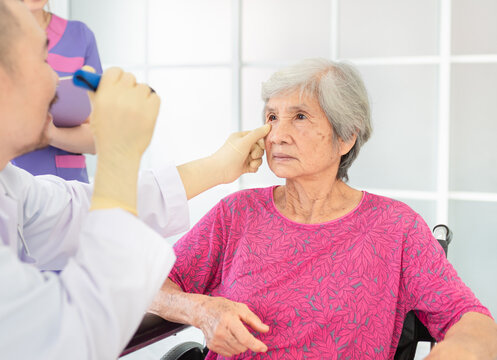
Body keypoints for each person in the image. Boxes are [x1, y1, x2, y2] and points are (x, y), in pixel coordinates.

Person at [150, 58, 497, 359]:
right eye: (272, 116)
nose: (277, 135)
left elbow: (473, 320)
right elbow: (149, 284)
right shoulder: (236, 214)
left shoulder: (395, 228)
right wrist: (201, 310)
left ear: (346, 137)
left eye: (299, 116)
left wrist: (457, 352)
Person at [0, 0, 270, 358]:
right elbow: (71, 339)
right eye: (41, 58)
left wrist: (218, 167)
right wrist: (118, 152)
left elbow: (75, 210)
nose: (55, 79)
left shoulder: (11, 185)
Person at [12, 0, 102, 182]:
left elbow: (101, 136)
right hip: (8, 184)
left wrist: (49, 133)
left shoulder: (80, 36)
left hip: (67, 187)